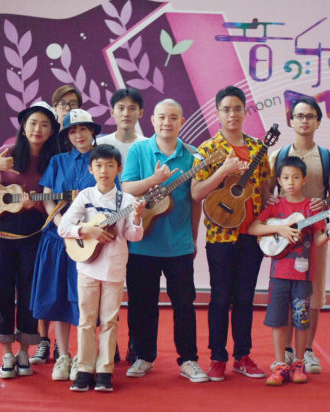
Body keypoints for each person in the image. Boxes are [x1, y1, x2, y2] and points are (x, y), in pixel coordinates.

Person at [0, 102, 60, 379]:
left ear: (51, 131)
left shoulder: (53, 159)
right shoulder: (7, 150)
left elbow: (53, 198)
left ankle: (24, 352)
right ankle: (7, 354)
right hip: (1, 229)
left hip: (34, 230)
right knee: (0, 287)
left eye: (44, 124)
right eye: (33, 123)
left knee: (30, 289)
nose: (37, 129)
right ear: (23, 126)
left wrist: (38, 204)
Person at [121, 99, 208, 383]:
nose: (166, 122)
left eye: (173, 117)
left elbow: (195, 201)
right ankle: (143, 356)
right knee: (142, 304)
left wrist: (193, 238)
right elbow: (127, 187)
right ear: (152, 120)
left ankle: (189, 360)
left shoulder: (194, 155)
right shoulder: (139, 150)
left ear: (182, 121)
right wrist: (154, 180)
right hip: (142, 243)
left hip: (179, 244)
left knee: (184, 304)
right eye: (161, 117)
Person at [191, 86, 270, 382]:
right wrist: (222, 171)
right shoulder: (207, 149)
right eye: (226, 109)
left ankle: (243, 356)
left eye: (237, 108)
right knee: (220, 298)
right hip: (220, 236)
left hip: (252, 235)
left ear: (245, 111)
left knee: (245, 298)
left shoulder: (258, 147)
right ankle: (217, 358)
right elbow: (196, 192)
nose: (232, 114)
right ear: (217, 113)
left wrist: (272, 213)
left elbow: (264, 188)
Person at [30, 109, 111, 382]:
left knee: (85, 300)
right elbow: (48, 197)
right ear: (67, 136)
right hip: (57, 240)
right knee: (58, 297)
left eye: (83, 129)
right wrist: (61, 224)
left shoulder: (102, 161)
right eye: (72, 131)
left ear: (92, 131)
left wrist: (86, 229)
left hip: (90, 243)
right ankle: (63, 356)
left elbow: (110, 199)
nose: (78, 135)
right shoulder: (58, 161)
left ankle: (82, 357)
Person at [59, 144, 145, 392]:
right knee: (86, 320)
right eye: (98, 165)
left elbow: (134, 236)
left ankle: (105, 370)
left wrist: (137, 216)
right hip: (87, 267)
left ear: (119, 169)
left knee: (109, 321)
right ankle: (84, 369)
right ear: (91, 169)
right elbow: (63, 228)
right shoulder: (85, 196)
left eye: (110, 165)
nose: (104, 171)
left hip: (115, 267)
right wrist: (87, 229)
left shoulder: (127, 200)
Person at [249, 156, 330, 386]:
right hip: (278, 275)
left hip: (303, 277)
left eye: (296, 177)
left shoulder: (311, 208)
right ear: (279, 181)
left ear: (304, 180)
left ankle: (299, 363)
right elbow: (253, 228)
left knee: (301, 320)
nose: (291, 182)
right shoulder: (275, 207)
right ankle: (280, 364)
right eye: (286, 178)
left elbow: (318, 240)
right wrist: (281, 228)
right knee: (278, 320)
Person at [267, 97, 330, 374]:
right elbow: (268, 190)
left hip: (315, 235)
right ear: (291, 121)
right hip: (286, 237)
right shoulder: (279, 155)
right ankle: (286, 351)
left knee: (313, 294)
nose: (304, 120)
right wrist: (271, 204)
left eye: (310, 116)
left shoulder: (326, 156)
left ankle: (307, 352)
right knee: (286, 291)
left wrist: (326, 203)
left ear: (318, 122)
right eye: (299, 116)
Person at [31, 85, 84, 365]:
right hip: (48, 222)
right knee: (49, 287)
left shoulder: (91, 148)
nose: (67, 108)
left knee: (79, 291)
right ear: (55, 108)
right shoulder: (48, 142)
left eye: (73, 104)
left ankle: (86, 347)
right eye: (63, 104)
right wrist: (58, 220)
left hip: (84, 231)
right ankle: (44, 341)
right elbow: (45, 188)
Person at [97, 87, 147, 364]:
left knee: (138, 293)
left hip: (137, 226)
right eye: (121, 108)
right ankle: (110, 345)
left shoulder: (149, 144)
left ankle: (136, 346)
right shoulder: (100, 144)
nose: (126, 113)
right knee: (106, 292)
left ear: (141, 113)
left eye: (132, 108)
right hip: (106, 230)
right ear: (112, 112)